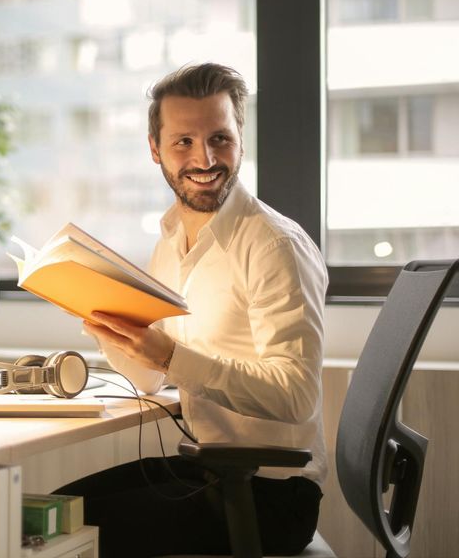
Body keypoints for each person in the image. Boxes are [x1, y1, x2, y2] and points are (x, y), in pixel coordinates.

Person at [55, 63, 328, 557]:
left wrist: (170, 356)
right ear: (155, 150)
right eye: (184, 142)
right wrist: (107, 326)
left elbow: (296, 396)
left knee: (56, 535)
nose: (205, 158)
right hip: (210, 469)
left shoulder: (274, 245)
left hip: (270, 495)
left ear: (240, 139)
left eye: (220, 138)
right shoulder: (171, 239)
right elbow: (150, 380)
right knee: (50, 510)